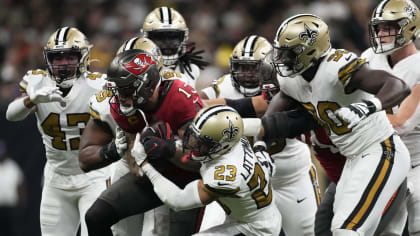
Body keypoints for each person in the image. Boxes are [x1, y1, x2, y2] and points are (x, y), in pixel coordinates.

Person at [265, 14, 410, 236]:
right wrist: (260, 146)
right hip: (352, 160)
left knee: (346, 230)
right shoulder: (291, 80)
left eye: (289, 53)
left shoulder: (337, 67)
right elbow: (271, 120)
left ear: (311, 51)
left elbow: (398, 85)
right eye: (280, 52)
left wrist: (368, 106)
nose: (282, 59)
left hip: (380, 149)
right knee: (342, 230)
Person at [200, 35, 320, 236]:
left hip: (287, 176)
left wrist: (209, 109)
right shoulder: (225, 84)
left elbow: (257, 106)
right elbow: (196, 102)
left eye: (253, 68)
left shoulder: (283, 82)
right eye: (241, 67)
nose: (247, 74)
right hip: (240, 180)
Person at [83, 48, 205, 236]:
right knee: (96, 216)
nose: (120, 96)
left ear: (147, 83)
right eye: (117, 88)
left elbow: (201, 161)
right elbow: (135, 164)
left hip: (190, 180)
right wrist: (139, 160)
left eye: (126, 88)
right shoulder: (120, 107)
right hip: (154, 173)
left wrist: (168, 149)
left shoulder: (179, 98)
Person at [5, 27, 109, 236]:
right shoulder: (37, 83)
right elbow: (11, 114)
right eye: (57, 58)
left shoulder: (98, 86)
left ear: (84, 57)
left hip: (93, 177)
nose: (63, 64)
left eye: (70, 57)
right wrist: (31, 99)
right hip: (57, 178)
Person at [131, 104, 281, 236]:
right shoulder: (233, 133)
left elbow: (177, 201)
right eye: (194, 136)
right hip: (258, 213)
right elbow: (260, 127)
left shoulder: (226, 174)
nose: (192, 144)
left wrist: (144, 164)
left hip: (255, 229)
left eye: (202, 143)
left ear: (222, 145)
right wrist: (260, 146)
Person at [361, 0, 420, 234]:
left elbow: (402, 124)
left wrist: (360, 112)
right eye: (379, 28)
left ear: (410, 28)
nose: (381, 34)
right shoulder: (368, 59)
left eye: (389, 28)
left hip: (416, 162)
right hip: (379, 160)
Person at [141, 6, 209, 88]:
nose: (167, 44)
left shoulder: (192, 69)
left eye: (173, 37)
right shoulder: (139, 68)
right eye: (159, 37)